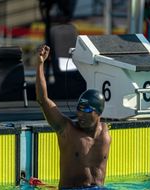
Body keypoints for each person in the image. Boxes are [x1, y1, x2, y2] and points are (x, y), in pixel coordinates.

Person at [36, 45, 111, 189]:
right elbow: (42, 99)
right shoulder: (66, 130)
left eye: (87, 110)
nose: (80, 114)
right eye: (79, 109)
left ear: (99, 113)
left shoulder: (105, 132)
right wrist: (40, 64)